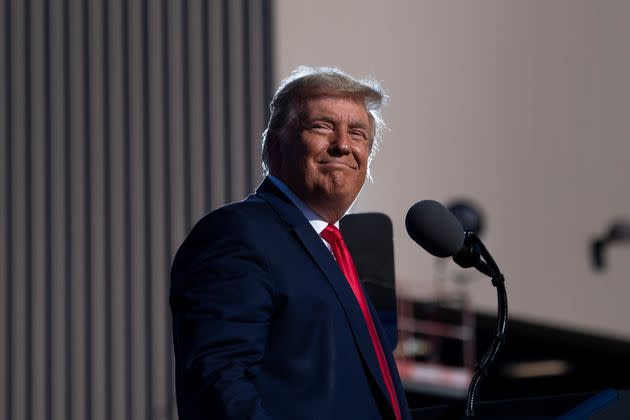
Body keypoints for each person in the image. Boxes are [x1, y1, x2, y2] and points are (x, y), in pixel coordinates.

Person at [170, 66, 411, 420]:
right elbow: (221, 387)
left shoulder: (343, 254)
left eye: (357, 133)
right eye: (322, 126)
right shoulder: (238, 233)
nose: (343, 145)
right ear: (275, 146)